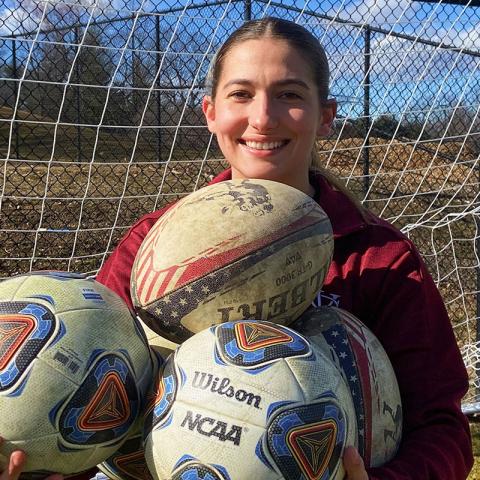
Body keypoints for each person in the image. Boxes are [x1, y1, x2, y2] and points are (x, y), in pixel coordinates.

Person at [2, 16, 472, 480]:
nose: (262, 117)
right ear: (210, 113)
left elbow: (442, 430)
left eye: (289, 94)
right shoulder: (155, 242)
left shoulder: (379, 258)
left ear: (325, 116)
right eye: (241, 94)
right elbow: (85, 396)